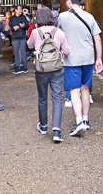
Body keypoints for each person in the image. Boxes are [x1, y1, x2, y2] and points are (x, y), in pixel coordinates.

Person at [56, 0, 102, 136]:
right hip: (88, 58)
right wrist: (99, 58)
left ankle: (79, 121)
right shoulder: (89, 17)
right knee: (85, 89)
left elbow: (58, 34)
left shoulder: (62, 17)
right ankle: (86, 119)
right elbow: (98, 39)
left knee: (74, 90)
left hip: (72, 59)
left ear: (69, 1)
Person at [28, 7, 70, 143]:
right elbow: (67, 51)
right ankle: (56, 131)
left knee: (42, 98)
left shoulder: (35, 32)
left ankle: (44, 126)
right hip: (57, 69)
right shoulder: (59, 32)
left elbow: (29, 45)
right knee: (57, 98)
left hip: (41, 69)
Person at [8, 4, 30, 73]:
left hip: (23, 37)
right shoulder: (12, 18)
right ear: (16, 10)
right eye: (20, 9)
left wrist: (23, 26)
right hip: (15, 38)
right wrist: (13, 28)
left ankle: (25, 67)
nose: (21, 10)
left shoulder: (23, 17)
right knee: (16, 52)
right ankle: (17, 67)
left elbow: (27, 26)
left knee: (23, 52)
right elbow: (9, 28)